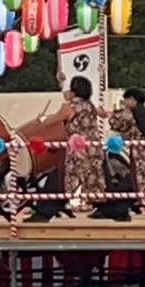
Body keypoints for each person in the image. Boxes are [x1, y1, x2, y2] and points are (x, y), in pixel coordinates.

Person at [40, 76, 106, 211]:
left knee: (74, 174)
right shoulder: (90, 105)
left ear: (74, 91)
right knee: (92, 174)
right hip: (94, 146)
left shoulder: (70, 107)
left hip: (78, 146)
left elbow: (50, 122)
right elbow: (102, 113)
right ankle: (92, 202)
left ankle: (74, 202)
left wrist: (43, 118)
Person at [109, 89, 145, 210]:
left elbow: (116, 123)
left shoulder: (131, 113)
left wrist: (108, 114)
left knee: (139, 176)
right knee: (144, 176)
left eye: (126, 99)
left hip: (139, 150)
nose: (124, 102)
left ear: (132, 100)